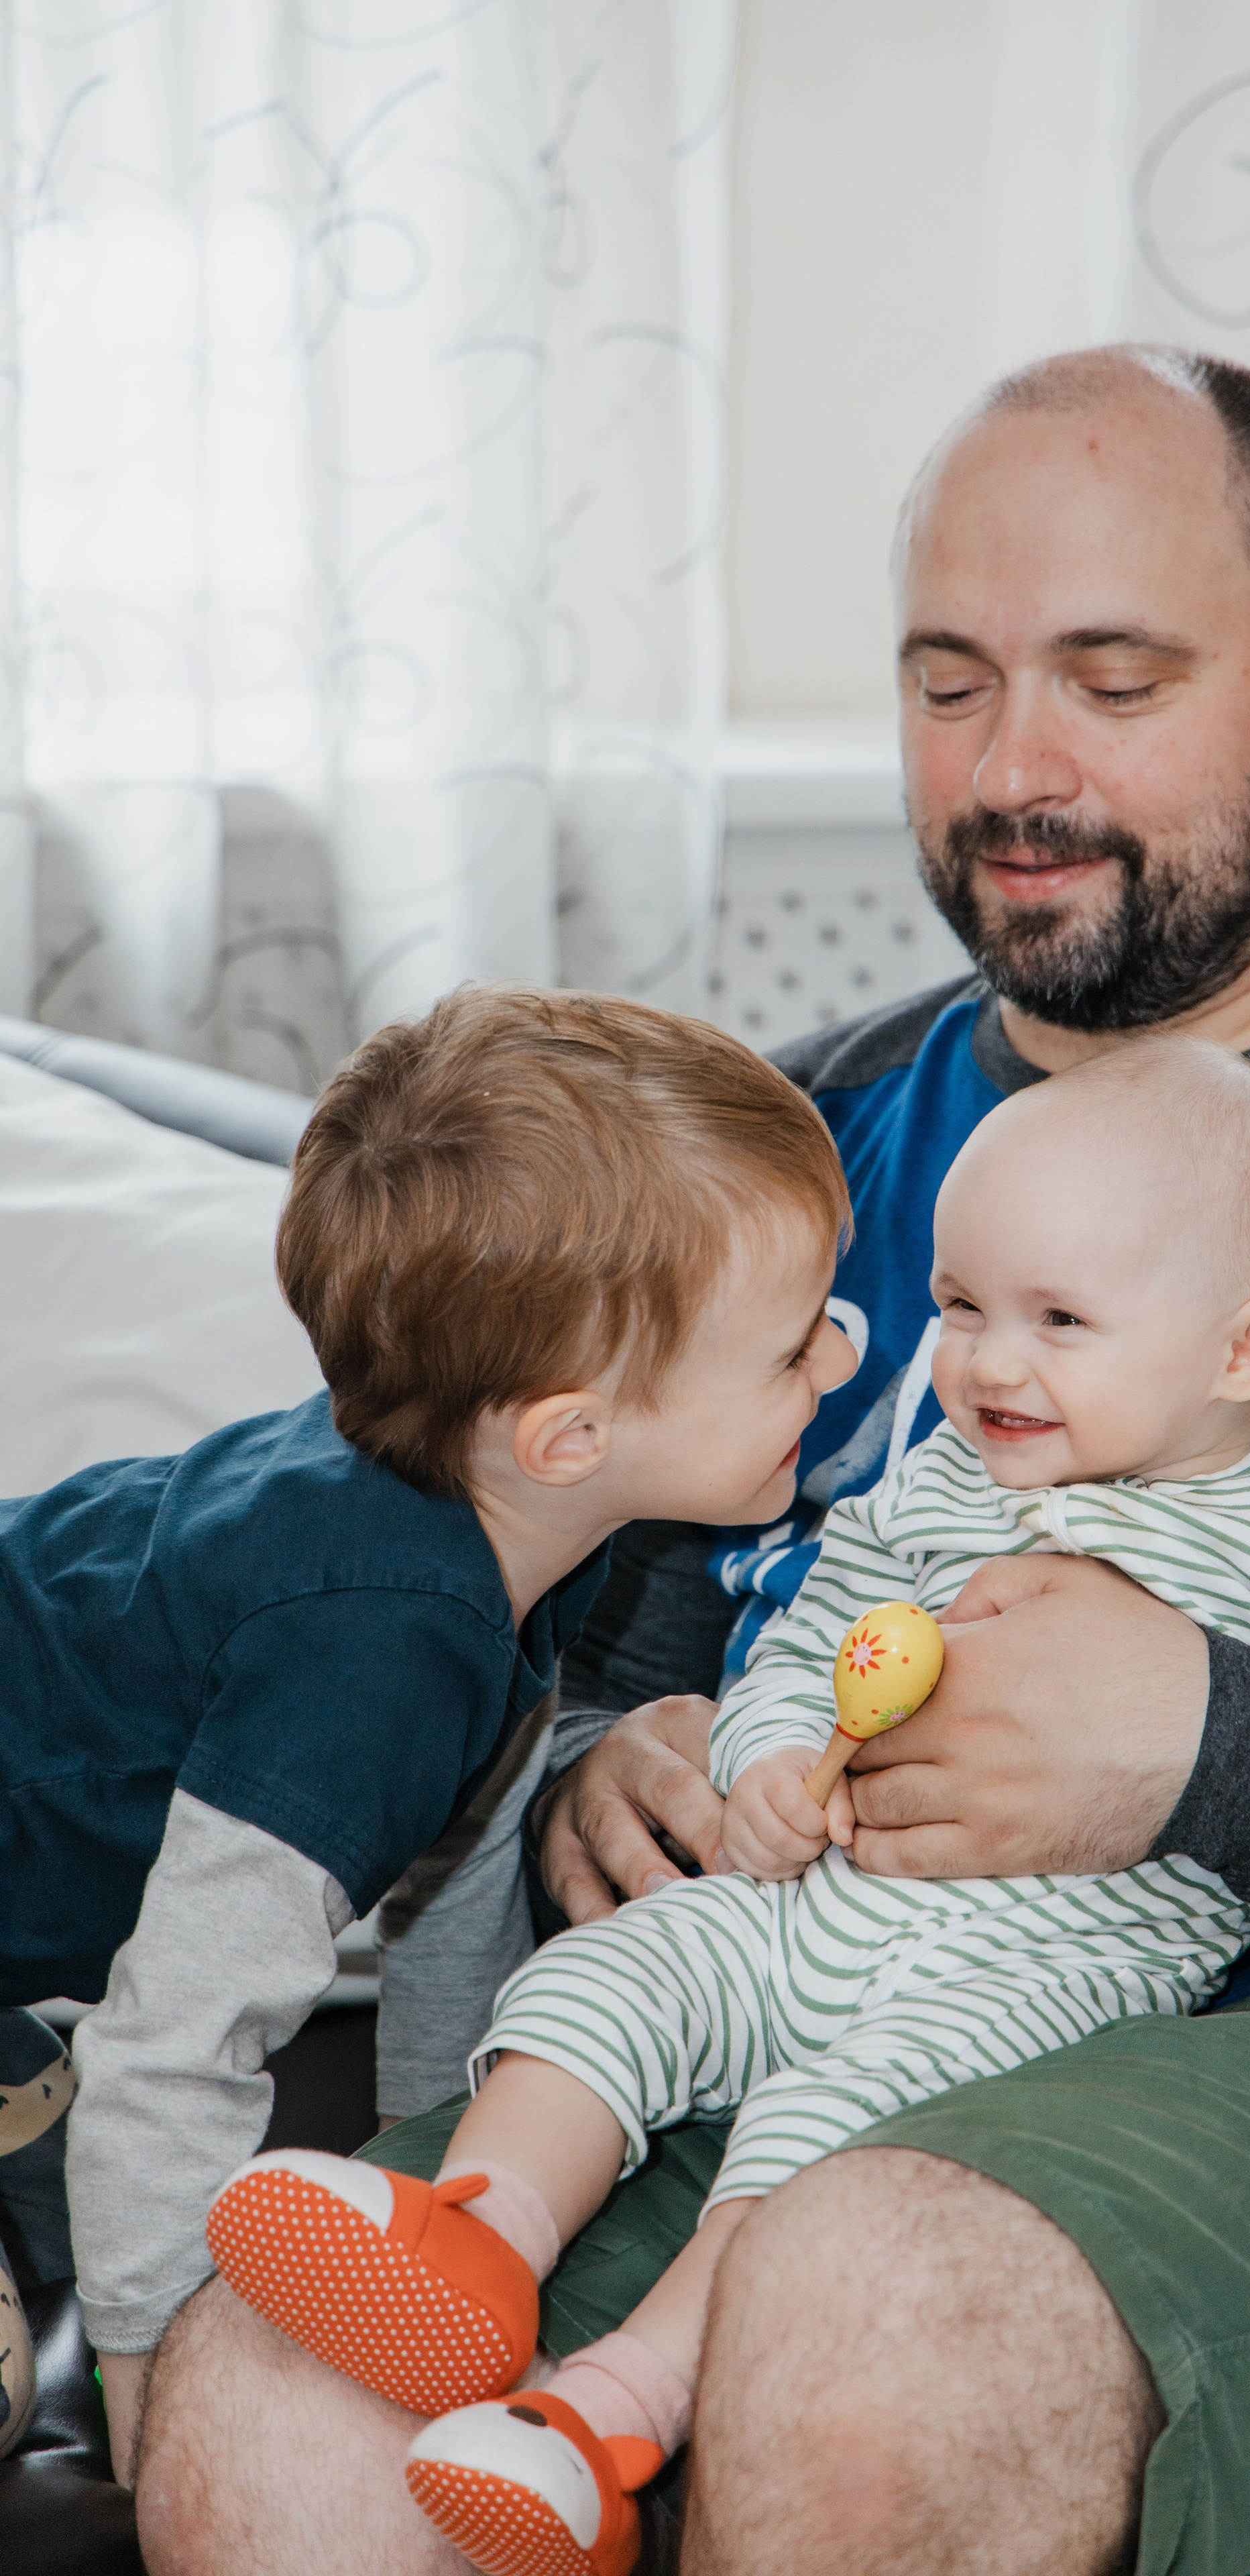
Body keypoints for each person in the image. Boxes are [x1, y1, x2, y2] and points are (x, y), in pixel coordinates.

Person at [137, 347, 1250, 2576]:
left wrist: (1204, 1748)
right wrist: (620, 1764)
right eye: (950, 682)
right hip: (804, 1976)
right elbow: (604, 1645)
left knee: (865, 2318)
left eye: (1114, 678)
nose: (1017, 768)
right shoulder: (784, 1144)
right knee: (267, 2405)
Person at [200, 1037, 1250, 2576]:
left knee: (824, 2154)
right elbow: (806, 1635)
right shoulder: (937, 1485)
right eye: (958, 1307)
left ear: (1243, 1348)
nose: (985, 1365)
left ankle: (604, 2411)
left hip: (1033, 1978)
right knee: (607, 1979)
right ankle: (485, 2230)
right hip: (812, 1902)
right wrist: (756, 1762)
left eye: (1057, 1321)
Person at [0, 981, 854, 2482]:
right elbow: (181, 2043)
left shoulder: (523, 1529)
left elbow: (452, 1865)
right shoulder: (368, 1646)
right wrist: (155, 2433)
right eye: (792, 1350)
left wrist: (437, 2187)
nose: (841, 1361)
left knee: (78, 2178)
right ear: (571, 1433)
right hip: (104, 2015)